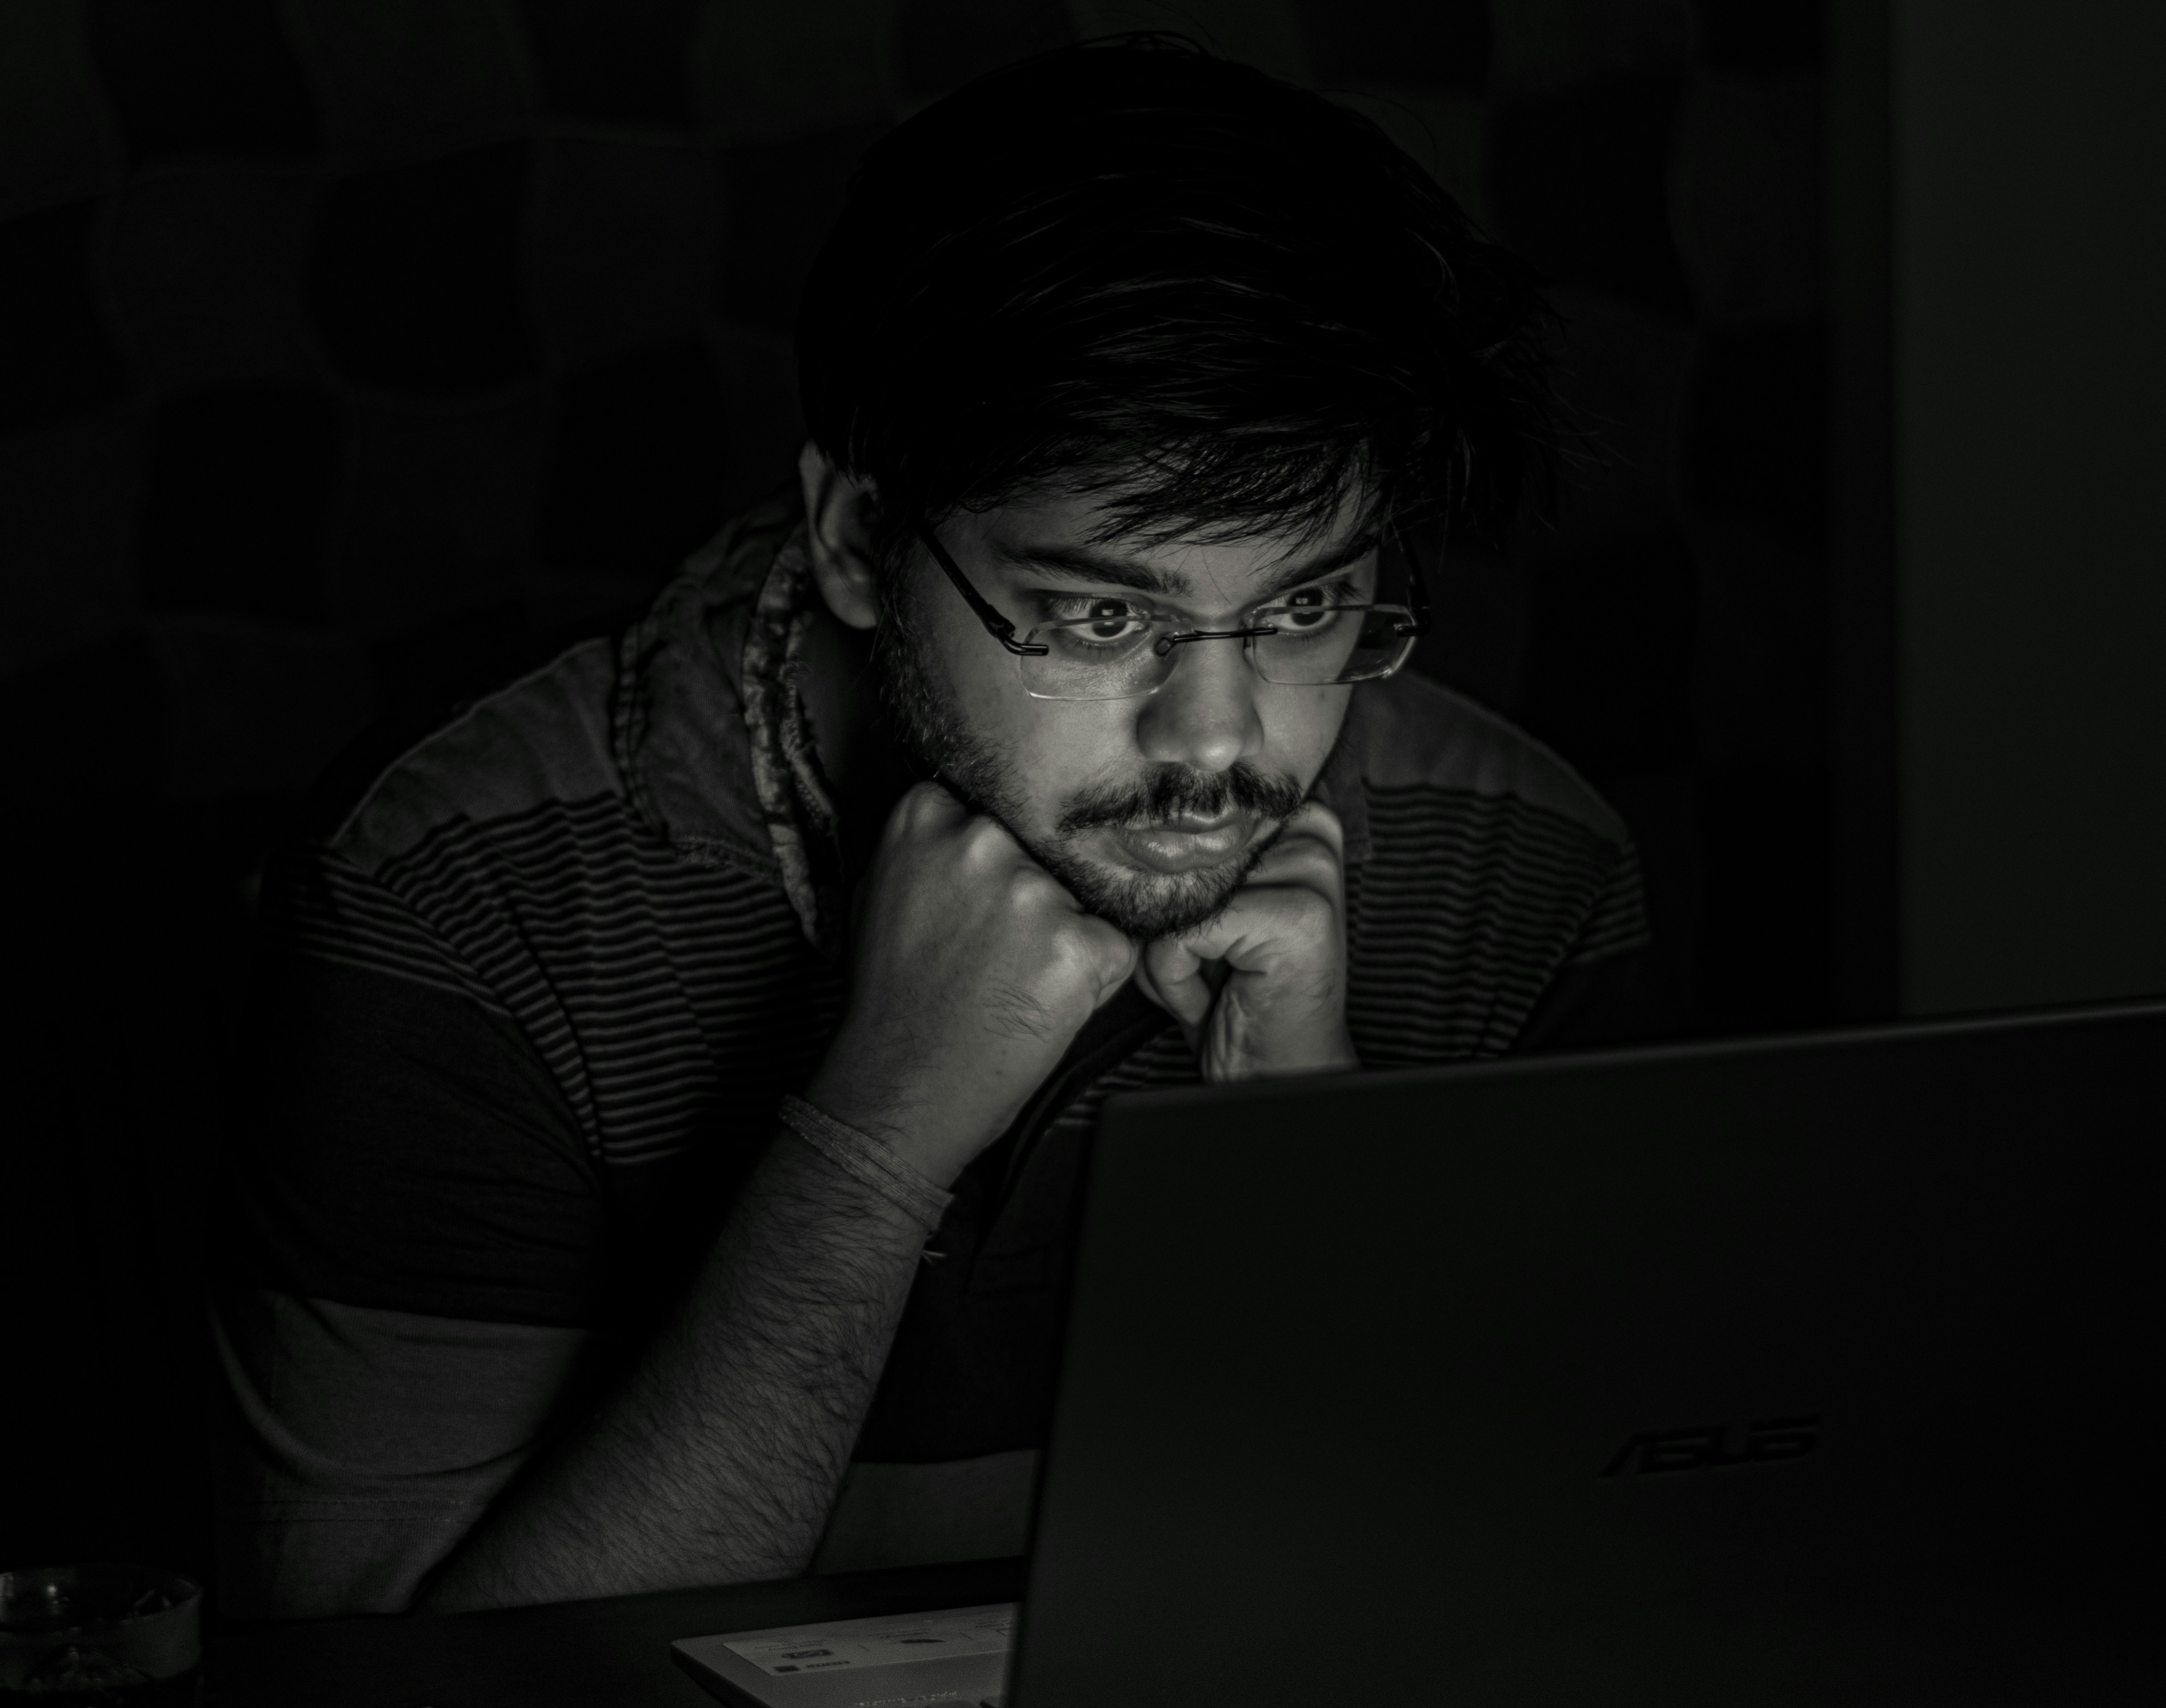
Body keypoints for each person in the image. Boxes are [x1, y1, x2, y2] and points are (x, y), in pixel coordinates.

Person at [210, 37, 1663, 1622]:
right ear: (856, 543)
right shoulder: (458, 890)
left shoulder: (1531, 870)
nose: (1226, 746)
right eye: (1105, 614)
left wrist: (1306, 1170)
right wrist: (871, 1146)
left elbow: (1551, 1622)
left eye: (1307, 604)